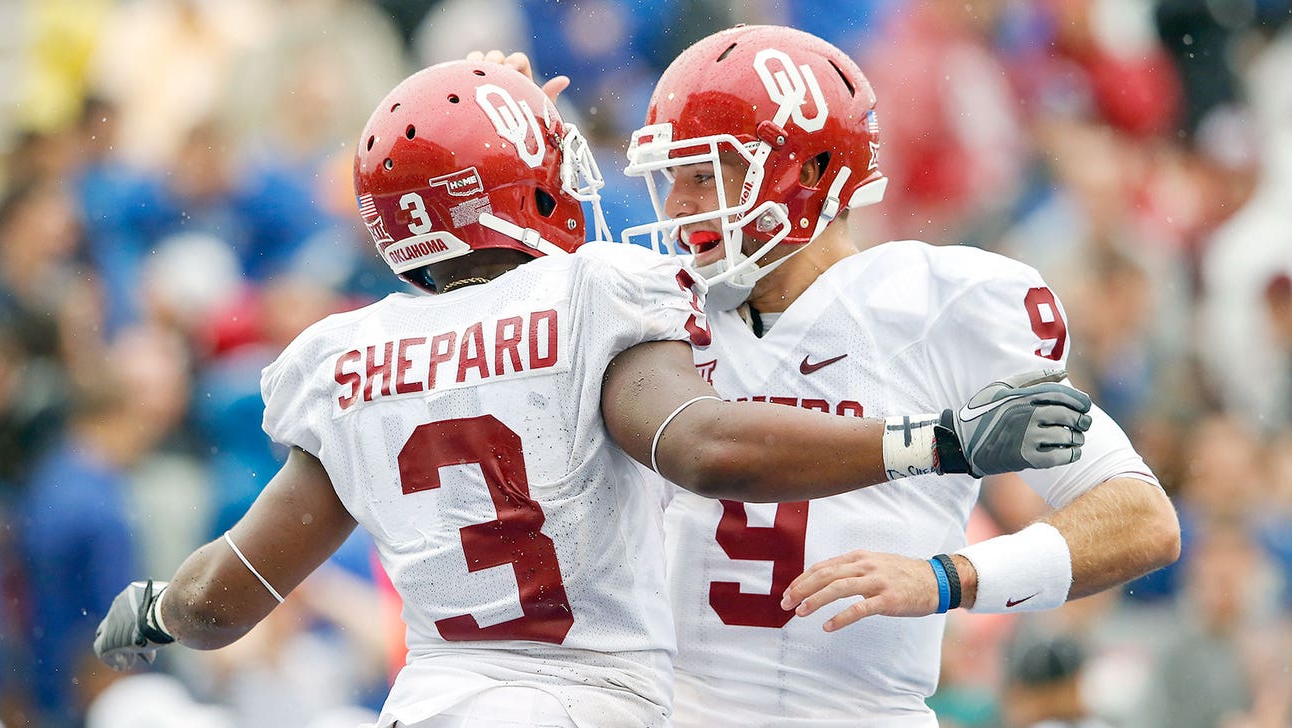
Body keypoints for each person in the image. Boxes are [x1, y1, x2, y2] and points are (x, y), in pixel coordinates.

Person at [90, 60, 1092, 728]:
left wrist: (157, 609)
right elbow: (703, 446)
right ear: (521, 185)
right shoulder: (593, 297)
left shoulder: (348, 354)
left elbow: (224, 600)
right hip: (591, 703)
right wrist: (939, 441)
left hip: (429, 702)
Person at [616, 25, 1180, 726]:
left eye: (703, 175)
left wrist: (951, 577)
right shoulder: (656, 309)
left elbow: (1140, 518)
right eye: (672, 178)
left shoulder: (939, 304)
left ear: (809, 171)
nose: (676, 207)